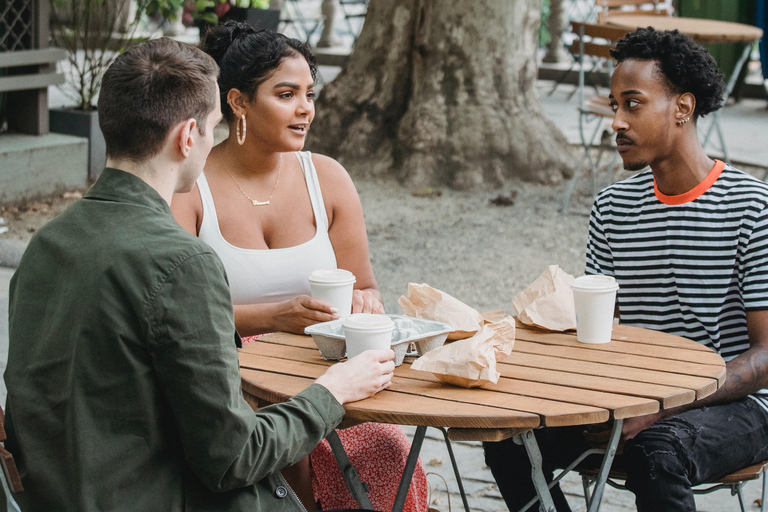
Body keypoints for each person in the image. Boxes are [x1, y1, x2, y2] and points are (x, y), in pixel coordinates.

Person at [3, 37, 395, 512]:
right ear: (188, 138)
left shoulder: (48, 243)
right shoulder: (183, 262)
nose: (214, 141)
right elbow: (232, 459)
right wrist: (335, 389)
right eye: (212, 128)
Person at [484, 27, 768, 512]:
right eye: (613, 105)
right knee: (507, 436)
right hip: (635, 395)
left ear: (682, 108)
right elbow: (603, 331)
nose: (615, 121)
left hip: (736, 407)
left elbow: (766, 354)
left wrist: (664, 405)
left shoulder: (752, 206)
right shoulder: (613, 206)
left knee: (657, 454)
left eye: (632, 104)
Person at [171, 22, 427, 512]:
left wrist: (363, 303)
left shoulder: (327, 178)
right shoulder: (190, 187)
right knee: (285, 458)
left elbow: (367, 286)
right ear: (238, 102)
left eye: (309, 93)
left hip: (326, 368)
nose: (305, 108)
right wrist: (272, 317)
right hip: (230, 381)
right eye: (286, 94)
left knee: (391, 449)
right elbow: (179, 319)